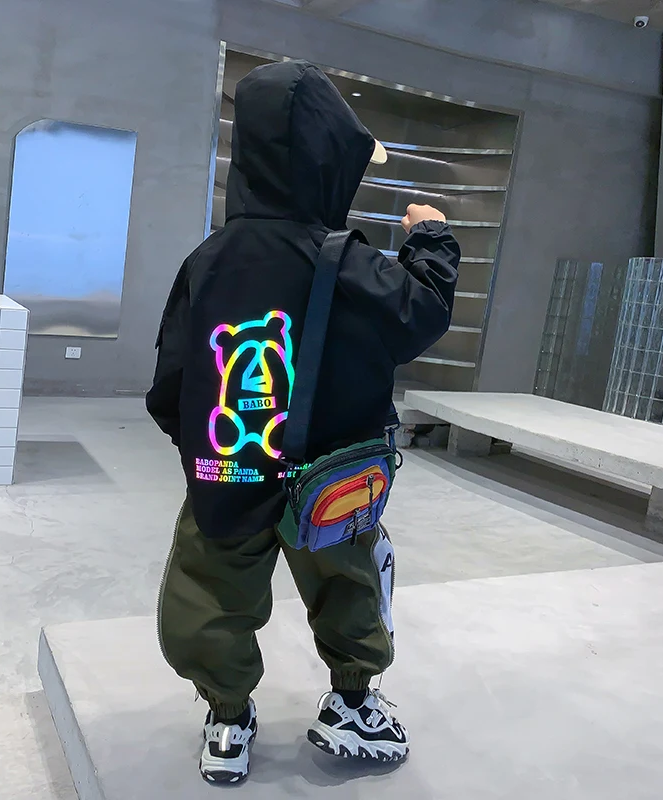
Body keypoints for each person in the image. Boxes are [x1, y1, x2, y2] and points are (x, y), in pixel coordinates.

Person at [146, 59, 460, 785]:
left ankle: (228, 717)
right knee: (348, 582)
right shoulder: (344, 259)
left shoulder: (209, 260)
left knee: (209, 595)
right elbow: (418, 315)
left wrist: (206, 450)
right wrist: (432, 239)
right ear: (328, 162)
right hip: (332, 471)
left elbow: (171, 379)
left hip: (232, 463)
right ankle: (352, 705)